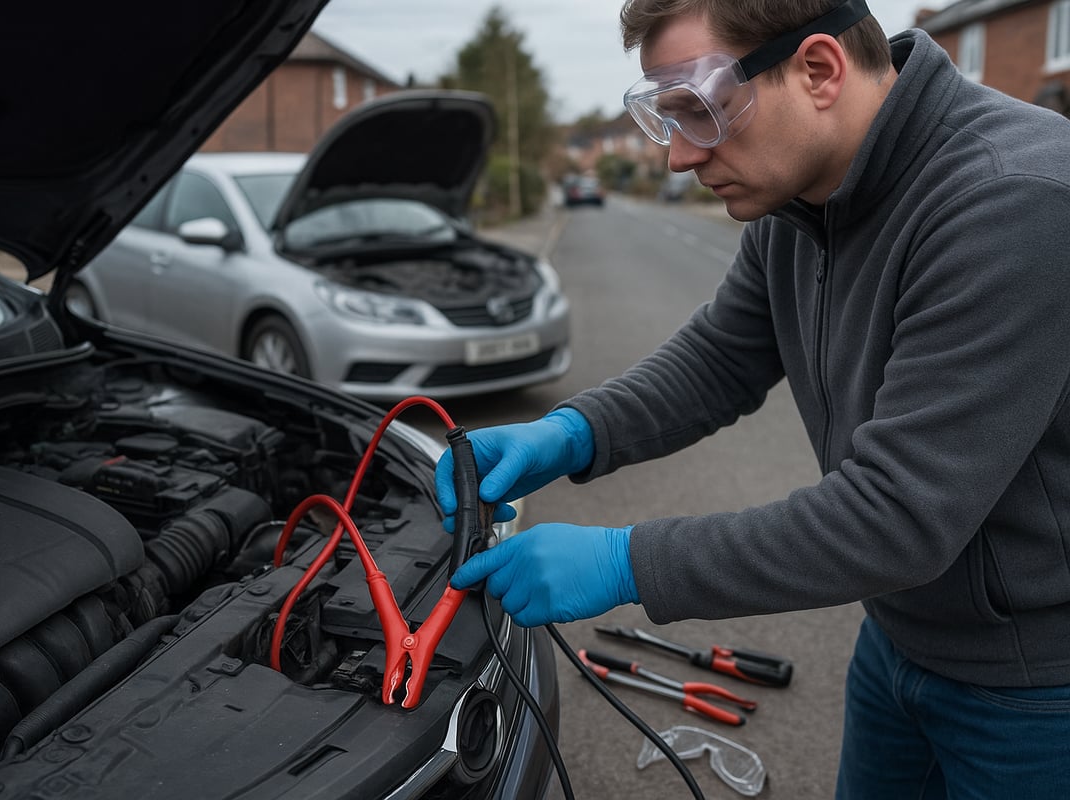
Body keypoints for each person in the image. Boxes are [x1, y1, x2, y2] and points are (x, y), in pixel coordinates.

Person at [434, 0, 1070, 797]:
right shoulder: (801, 194)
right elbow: (720, 358)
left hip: (1040, 691)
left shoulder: (1014, 200)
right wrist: (571, 431)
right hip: (900, 642)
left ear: (818, 70)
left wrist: (626, 561)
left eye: (699, 111)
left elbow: (897, 517)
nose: (677, 159)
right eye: (665, 120)